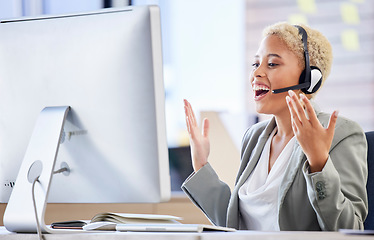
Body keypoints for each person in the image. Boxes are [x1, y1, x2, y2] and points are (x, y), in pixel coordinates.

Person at [181, 22, 368, 231]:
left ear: (308, 78)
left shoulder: (340, 134)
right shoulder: (254, 137)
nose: (256, 74)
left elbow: (351, 227)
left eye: (272, 64)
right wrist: (200, 164)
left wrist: (319, 163)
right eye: (255, 64)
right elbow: (236, 224)